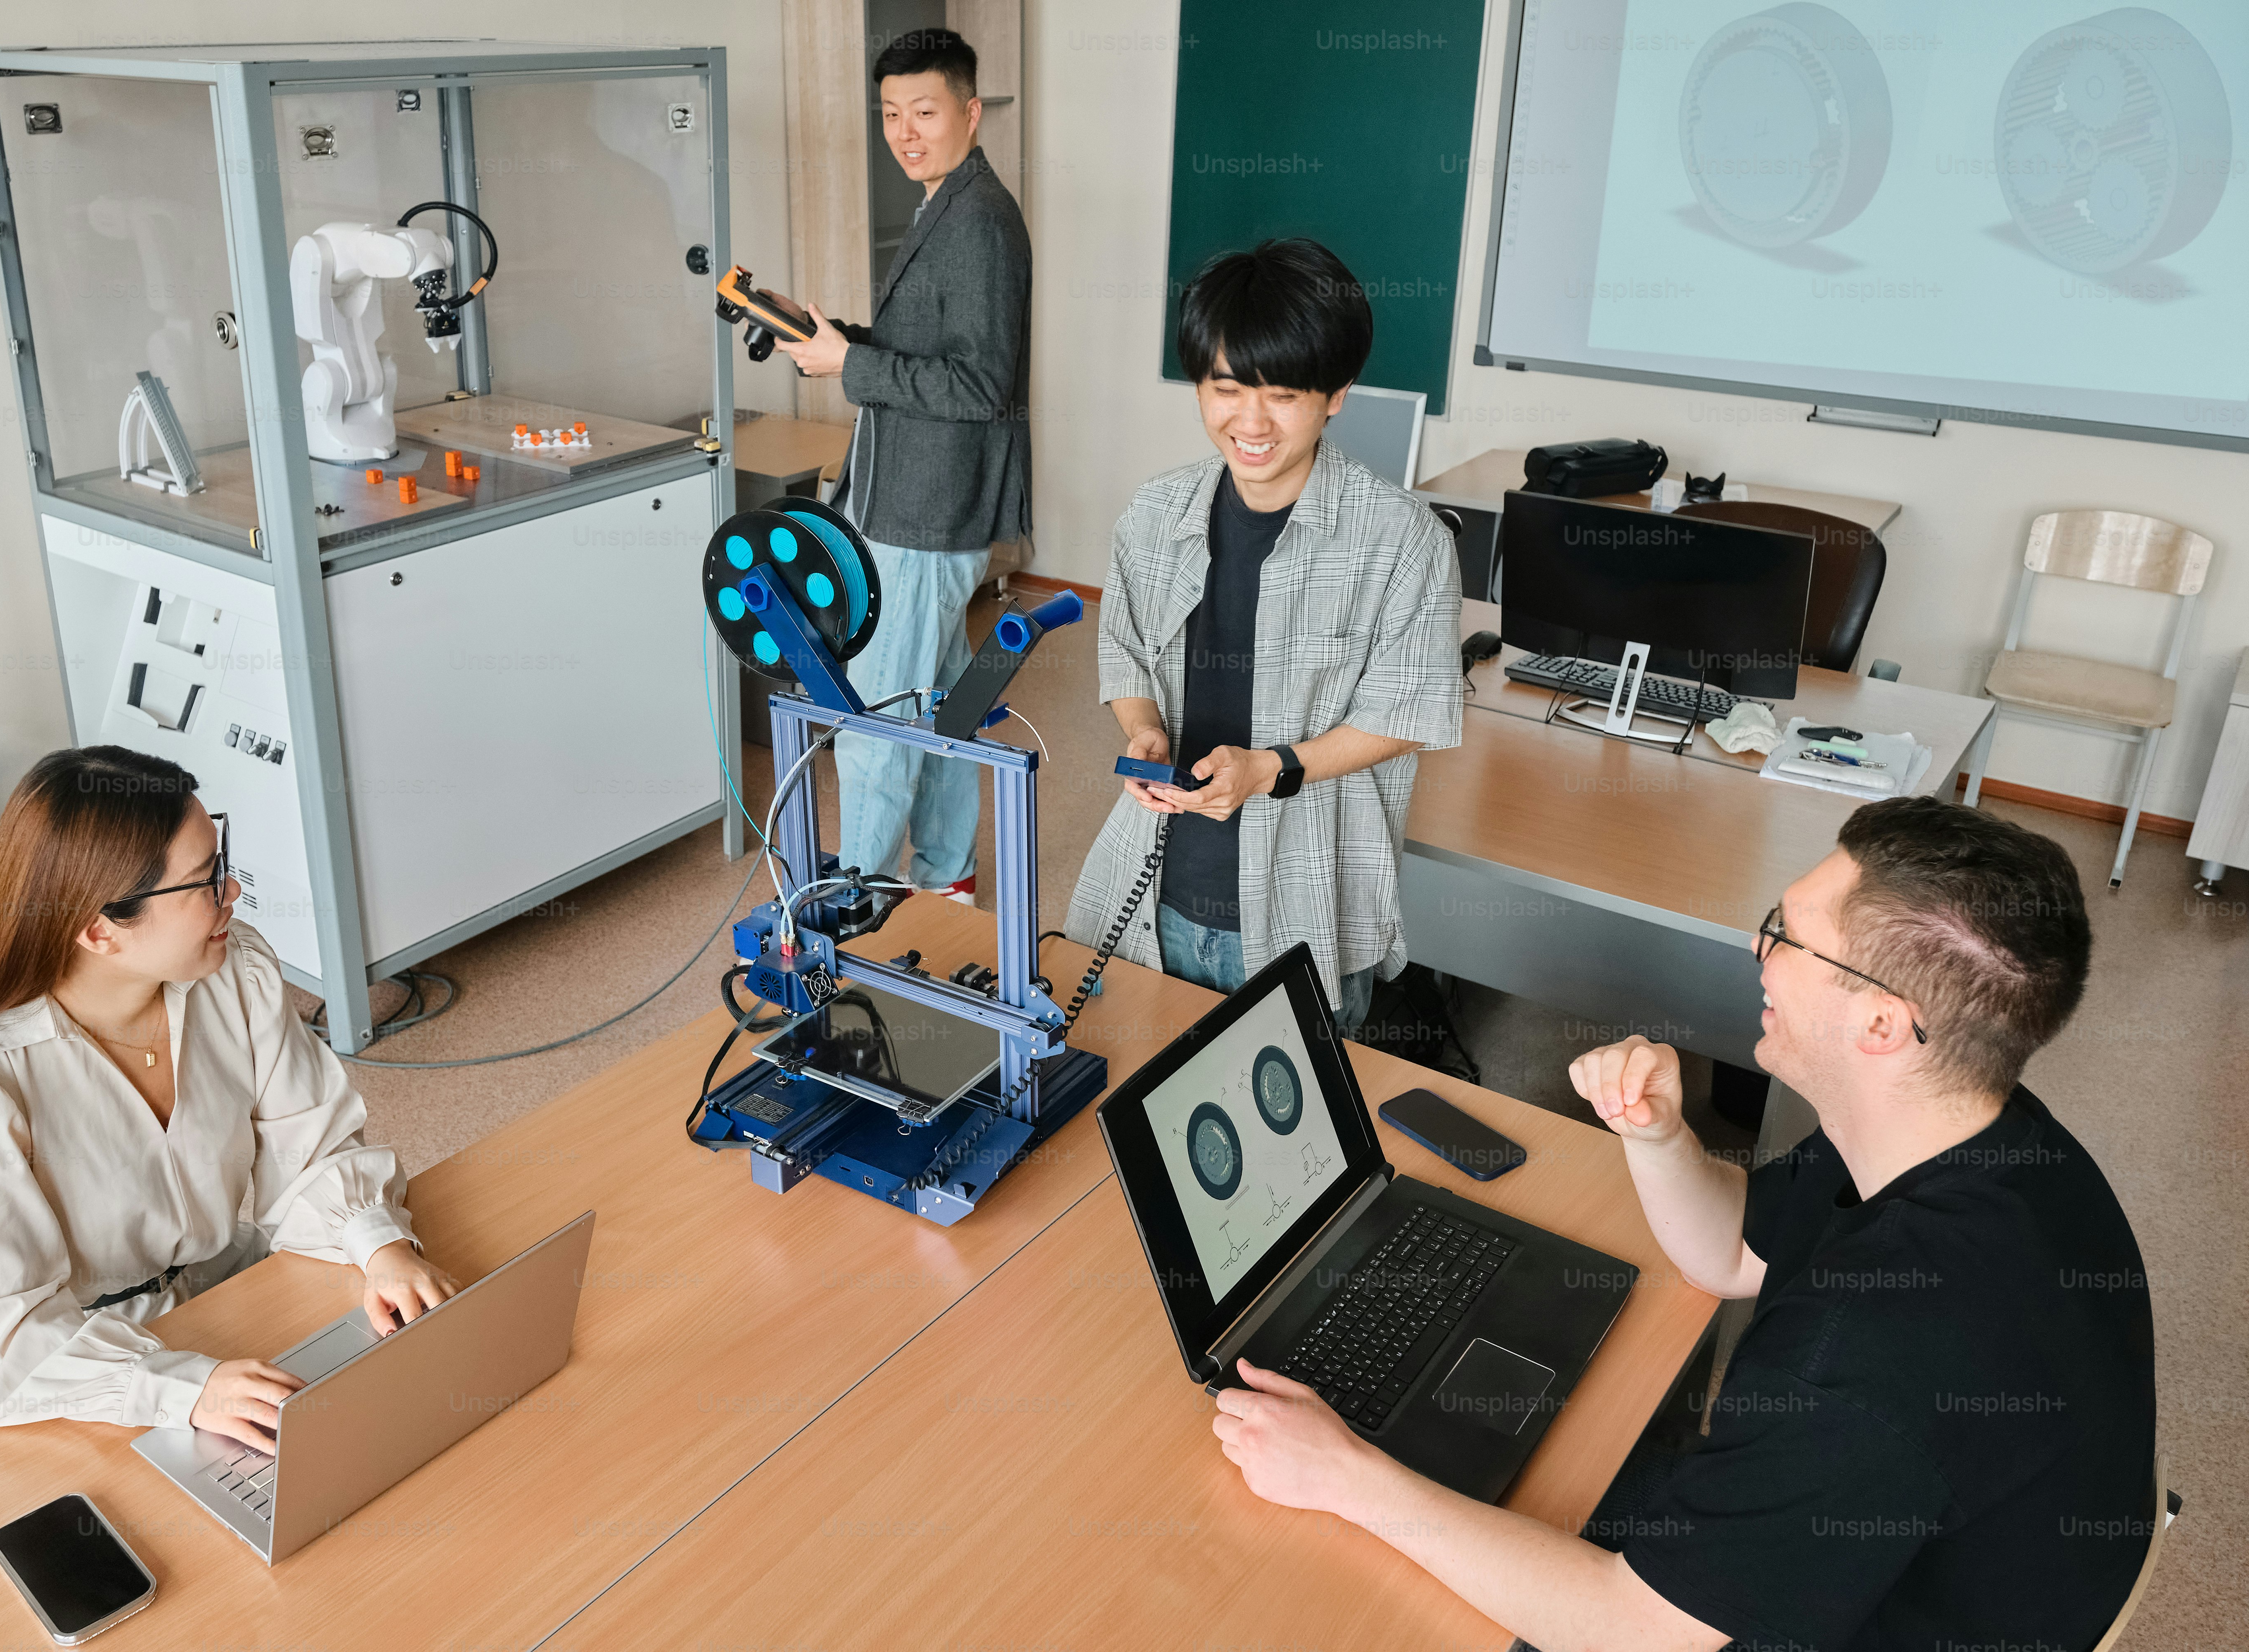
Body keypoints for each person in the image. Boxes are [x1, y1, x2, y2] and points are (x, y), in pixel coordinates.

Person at [1209, 796, 2156, 1652]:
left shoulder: (1861, 1360)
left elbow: (1631, 1633)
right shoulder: (1969, 1129)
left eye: (1788, 936)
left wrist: (1347, 1477)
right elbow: (1732, 1254)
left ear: (1880, 1026)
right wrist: (1658, 1137)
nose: (1758, 951)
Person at [0, 747, 454, 1452]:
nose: (234, 895)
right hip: (77, 1388)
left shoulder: (234, 972)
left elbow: (310, 1151)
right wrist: (186, 1389)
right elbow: (12, 1339)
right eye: (207, 882)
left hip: (232, 1308)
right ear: (99, 929)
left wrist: (377, 1242)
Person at [1064, 238, 1462, 1026]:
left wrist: (1269, 770)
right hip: (1153, 889)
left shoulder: (1403, 539)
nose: (1250, 421)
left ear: (1336, 394)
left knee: (1295, 1139)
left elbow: (1404, 713)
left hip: (1304, 906)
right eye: (1227, 387)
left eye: (1282, 394)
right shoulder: (1155, 511)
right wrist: (1143, 732)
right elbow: (1127, 652)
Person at [776, 26, 1030, 905]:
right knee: (945, 707)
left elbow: (984, 383)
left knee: (879, 721)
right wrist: (847, 342)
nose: (905, 132)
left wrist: (850, 367)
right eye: (890, 114)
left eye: (924, 111)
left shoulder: (982, 222)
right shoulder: (944, 204)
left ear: (969, 110)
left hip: (927, 510)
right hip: (908, 500)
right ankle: (950, 873)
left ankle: (859, 900)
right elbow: (939, 350)